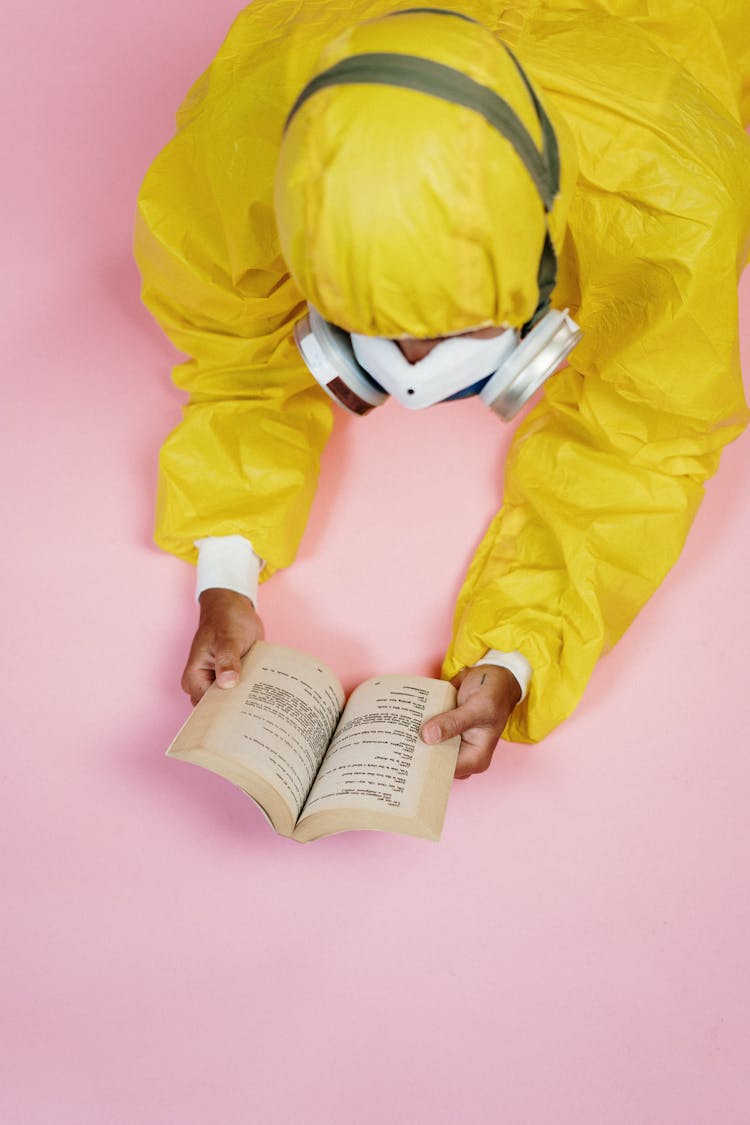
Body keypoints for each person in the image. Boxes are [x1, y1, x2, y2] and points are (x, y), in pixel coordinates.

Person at [135, 1, 750, 778]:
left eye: (462, 329)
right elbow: (235, 350)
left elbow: (646, 435)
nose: (414, 370)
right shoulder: (244, 154)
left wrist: (522, 649)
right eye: (374, 327)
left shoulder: (667, 206)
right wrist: (226, 575)